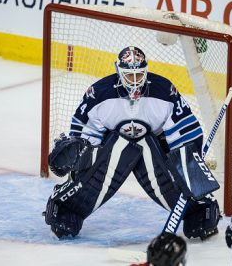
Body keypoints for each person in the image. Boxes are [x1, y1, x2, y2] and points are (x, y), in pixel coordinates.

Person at [43, 46, 220, 239]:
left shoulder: (164, 91)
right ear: (119, 72)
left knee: (167, 162)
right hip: (112, 148)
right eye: (129, 75)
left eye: (139, 75)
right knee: (113, 150)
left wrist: (189, 170)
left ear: (146, 71)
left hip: (156, 149)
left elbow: (185, 134)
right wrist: (81, 159)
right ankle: (70, 209)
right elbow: (85, 137)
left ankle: (197, 210)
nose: (135, 81)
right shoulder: (99, 94)